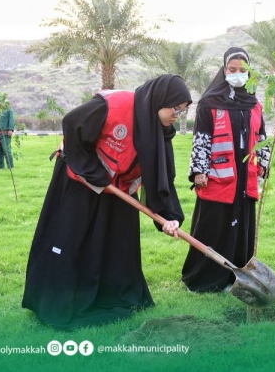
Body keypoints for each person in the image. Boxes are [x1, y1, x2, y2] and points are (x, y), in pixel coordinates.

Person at [22, 74, 192, 330]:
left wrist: (170, 217)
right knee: (75, 238)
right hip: (82, 179)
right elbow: (72, 123)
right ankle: (61, 300)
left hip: (120, 189)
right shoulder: (116, 105)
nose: (178, 114)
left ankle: (113, 296)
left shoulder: (161, 131)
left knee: (117, 244)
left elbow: (162, 177)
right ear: (159, 101)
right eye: (175, 108)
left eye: (184, 110)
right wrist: (94, 173)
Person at [181, 47, 270, 293]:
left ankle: (235, 277)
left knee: (242, 226)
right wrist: (199, 170)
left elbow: (261, 135)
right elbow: (201, 137)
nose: (238, 74)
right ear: (224, 70)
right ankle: (204, 278)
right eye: (232, 70)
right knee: (212, 226)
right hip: (218, 178)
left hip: (245, 178)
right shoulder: (209, 102)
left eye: (243, 71)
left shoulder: (254, 104)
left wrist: (263, 162)